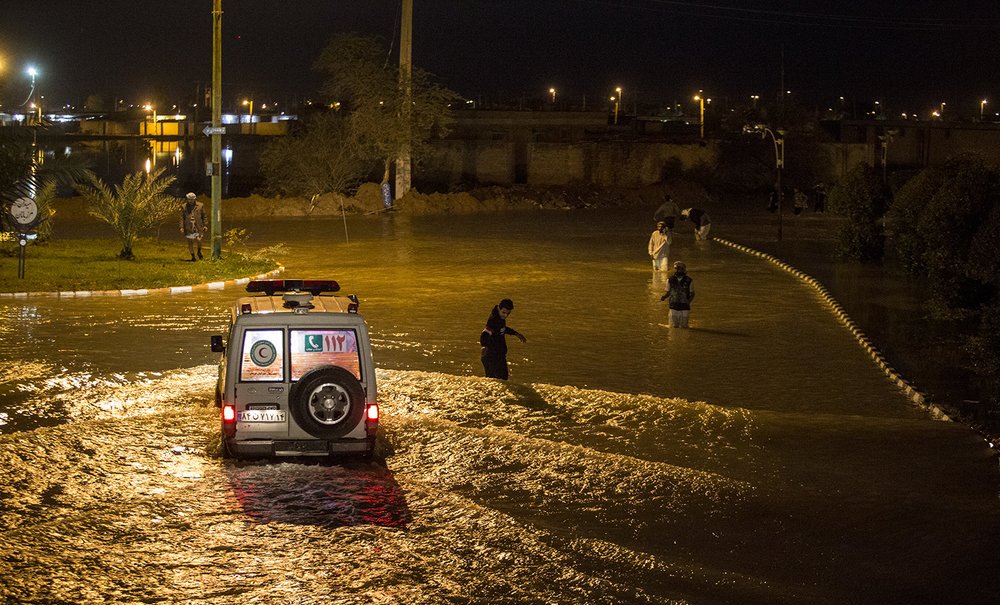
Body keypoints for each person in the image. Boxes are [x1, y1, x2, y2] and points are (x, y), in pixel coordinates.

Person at [479, 298, 526, 380]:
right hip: (491, 356)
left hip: (498, 354)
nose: (505, 315)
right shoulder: (494, 320)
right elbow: (485, 333)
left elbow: (502, 328)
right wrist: (484, 345)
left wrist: (516, 333)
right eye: (503, 312)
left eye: (508, 313)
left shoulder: (500, 318)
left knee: (502, 378)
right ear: (499, 308)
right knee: (497, 380)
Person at [660, 261, 695, 328]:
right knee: (674, 326)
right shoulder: (670, 280)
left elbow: (692, 293)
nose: (677, 270)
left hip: (684, 306)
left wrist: (688, 302)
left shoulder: (689, 280)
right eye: (676, 269)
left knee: (684, 326)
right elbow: (668, 292)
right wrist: (664, 297)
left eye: (679, 268)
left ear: (683, 269)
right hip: (673, 305)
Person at [180, 192, 208, 261]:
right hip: (189, 226)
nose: (190, 201)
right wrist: (181, 227)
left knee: (199, 240)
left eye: (192, 199)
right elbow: (181, 217)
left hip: (198, 226)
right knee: (190, 241)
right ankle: (193, 256)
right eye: (189, 199)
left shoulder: (200, 205)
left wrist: (205, 225)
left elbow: (204, 216)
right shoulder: (184, 206)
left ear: (194, 199)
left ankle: (199, 251)